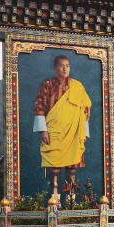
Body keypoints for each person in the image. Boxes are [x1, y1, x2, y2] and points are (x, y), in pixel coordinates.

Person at [33, 55, 92, 196]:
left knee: (72, 167)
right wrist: (42, 130)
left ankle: (71, 200)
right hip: (54, 130)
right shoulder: (48, 84)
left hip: (74, 131)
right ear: (55, 68)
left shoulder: (77, 86)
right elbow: (39, 106)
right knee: (54, 167)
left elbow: (84, 110)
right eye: (61, 65)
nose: (65, 68)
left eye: (68, 65)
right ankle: (54, 199)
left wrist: (85, 132)